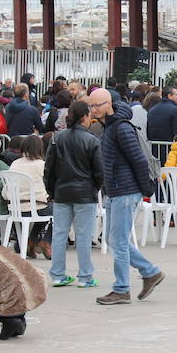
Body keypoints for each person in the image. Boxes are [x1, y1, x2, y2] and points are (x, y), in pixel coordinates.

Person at [88, 88, 164, 305]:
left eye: (97, 105)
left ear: (109, 104)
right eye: (91, 106)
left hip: (125, 191)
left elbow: (139, 160)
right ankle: (150, 272)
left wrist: (144, 189)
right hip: (116, 191)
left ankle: (122, 289)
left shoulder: (121, 128)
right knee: (113, 240)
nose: (94, 110)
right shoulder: (110, 127)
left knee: (119, 242)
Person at [43, 101, 104, 289]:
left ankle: (58, 274)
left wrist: (52, 191)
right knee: (83, 235)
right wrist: (95, 188)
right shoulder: (92, 140)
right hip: (85, 192)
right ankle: (85, 276)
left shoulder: (57, 138)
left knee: (60, 234)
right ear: (85, 117)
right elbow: (99, 171)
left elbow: (49, 168)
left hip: (62, 191)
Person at [0, 214, 47, 340]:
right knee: (6, 286)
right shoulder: (0, 249)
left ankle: (7, 319)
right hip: (30, 294)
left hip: (7, 299)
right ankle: (17, 319)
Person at [4, 136, 53, 259]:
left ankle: (31, 241)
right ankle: (46, 241)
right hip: (37, 207)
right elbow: (50, 186)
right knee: (63, 210)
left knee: (44, 211)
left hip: (15, 208)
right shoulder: (42, 165)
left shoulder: (15, 164)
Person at [146, 87, 177, 162]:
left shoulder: (152, 110)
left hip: (154, 149)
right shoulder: (176, 111)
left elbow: (148, 131)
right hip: (170, 150)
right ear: (169, 96)